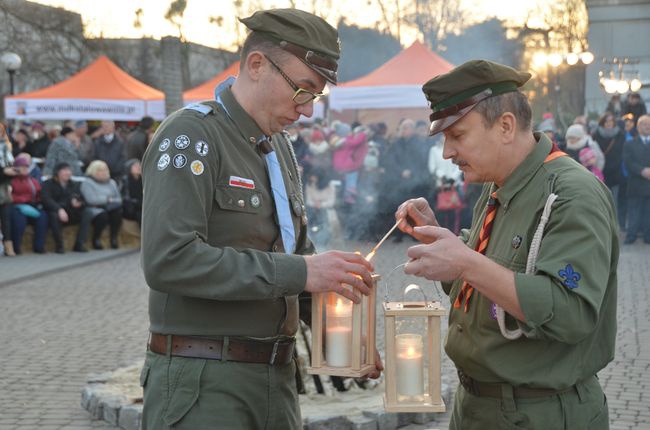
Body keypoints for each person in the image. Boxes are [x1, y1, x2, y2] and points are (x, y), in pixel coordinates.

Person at [138, 9, 378, 430]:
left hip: (275, 380)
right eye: (303, 90)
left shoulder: (277, 147)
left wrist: (338, 340)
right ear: (256, 65)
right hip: (206, 383)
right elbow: (169, 259)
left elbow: (295, 256)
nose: (306, 110)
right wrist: (301, 271)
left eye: (315, 97)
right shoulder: (193, 136)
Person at [396, 60, 617, 429]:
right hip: (479, 407)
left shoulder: (572, 194)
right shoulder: (499, 184)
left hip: (539, 412)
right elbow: (480, 284)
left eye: (458, 135)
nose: (448, 151)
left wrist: (466, 262)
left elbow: (572, 313)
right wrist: (439, 237)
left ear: (505, 126)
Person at [41, 162, 91, 253]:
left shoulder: (74, 184)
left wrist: (77, 202)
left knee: (88, 212)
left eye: (69, 170)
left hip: (71, 212)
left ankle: (79, 243)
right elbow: (46, 199)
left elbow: (82, 199)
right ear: (57, 172)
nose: (68, 173)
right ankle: (59, 245)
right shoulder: (48, 184)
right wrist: (59, 209)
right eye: (64, 170)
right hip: (56, 211)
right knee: (54, 215)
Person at [10, 155, 48, 254]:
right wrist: (21, 200)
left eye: (26, 167)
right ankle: (16, 247)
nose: (25, 169)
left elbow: (38, 193)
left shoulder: (32, 180)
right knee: (19, 220)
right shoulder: (11, 180)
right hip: (15, 206)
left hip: (30, 205)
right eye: (22, 167)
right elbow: (9, 196)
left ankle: (39, 246)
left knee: (42, 216)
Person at [80, 160, 123, 249]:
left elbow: (119, 199)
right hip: (95, 208)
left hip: (111, 207)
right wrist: (107, 199)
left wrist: (107, 200)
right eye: (100, 170)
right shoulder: (87, 183)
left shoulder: (111, 182)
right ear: (93, 171)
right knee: (102, 216)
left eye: (105, 170)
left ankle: (114, 238)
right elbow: (91, 199)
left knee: (117, 213)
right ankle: (96, 238)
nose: (104, 172)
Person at [622, 114, 650, 244]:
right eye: (644, 124)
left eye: (649, 124)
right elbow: (628, 161)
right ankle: (631, 235)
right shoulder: (630, 144)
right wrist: (641, 170)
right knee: (634, 210)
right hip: (636, 183)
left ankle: (648, 235)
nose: (648, 126)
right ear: (638, 127)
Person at [0, 123, 17, 256]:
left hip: (4, 188)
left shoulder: (6, 148)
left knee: (6, 218)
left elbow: (11, 165)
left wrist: (11, 171)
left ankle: (8, 245)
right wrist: (4, 171)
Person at [121, 159, 143, 225]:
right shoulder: (125, 180)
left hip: (142, 206)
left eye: (139, 165)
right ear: (129, 168)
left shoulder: (144, 180)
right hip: (131, 208)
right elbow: (124, 198)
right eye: (135, 166)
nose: (139, 167)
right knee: (140, 215)